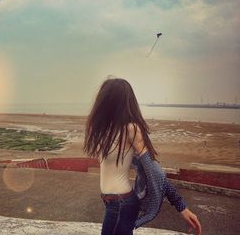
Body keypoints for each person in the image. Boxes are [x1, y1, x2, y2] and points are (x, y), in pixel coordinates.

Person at [83, 77, 201, 235]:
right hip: (112, 203)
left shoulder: (131, 129)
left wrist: (181, 207)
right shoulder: (107, 130)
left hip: (121, 204)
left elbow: (155, 172)